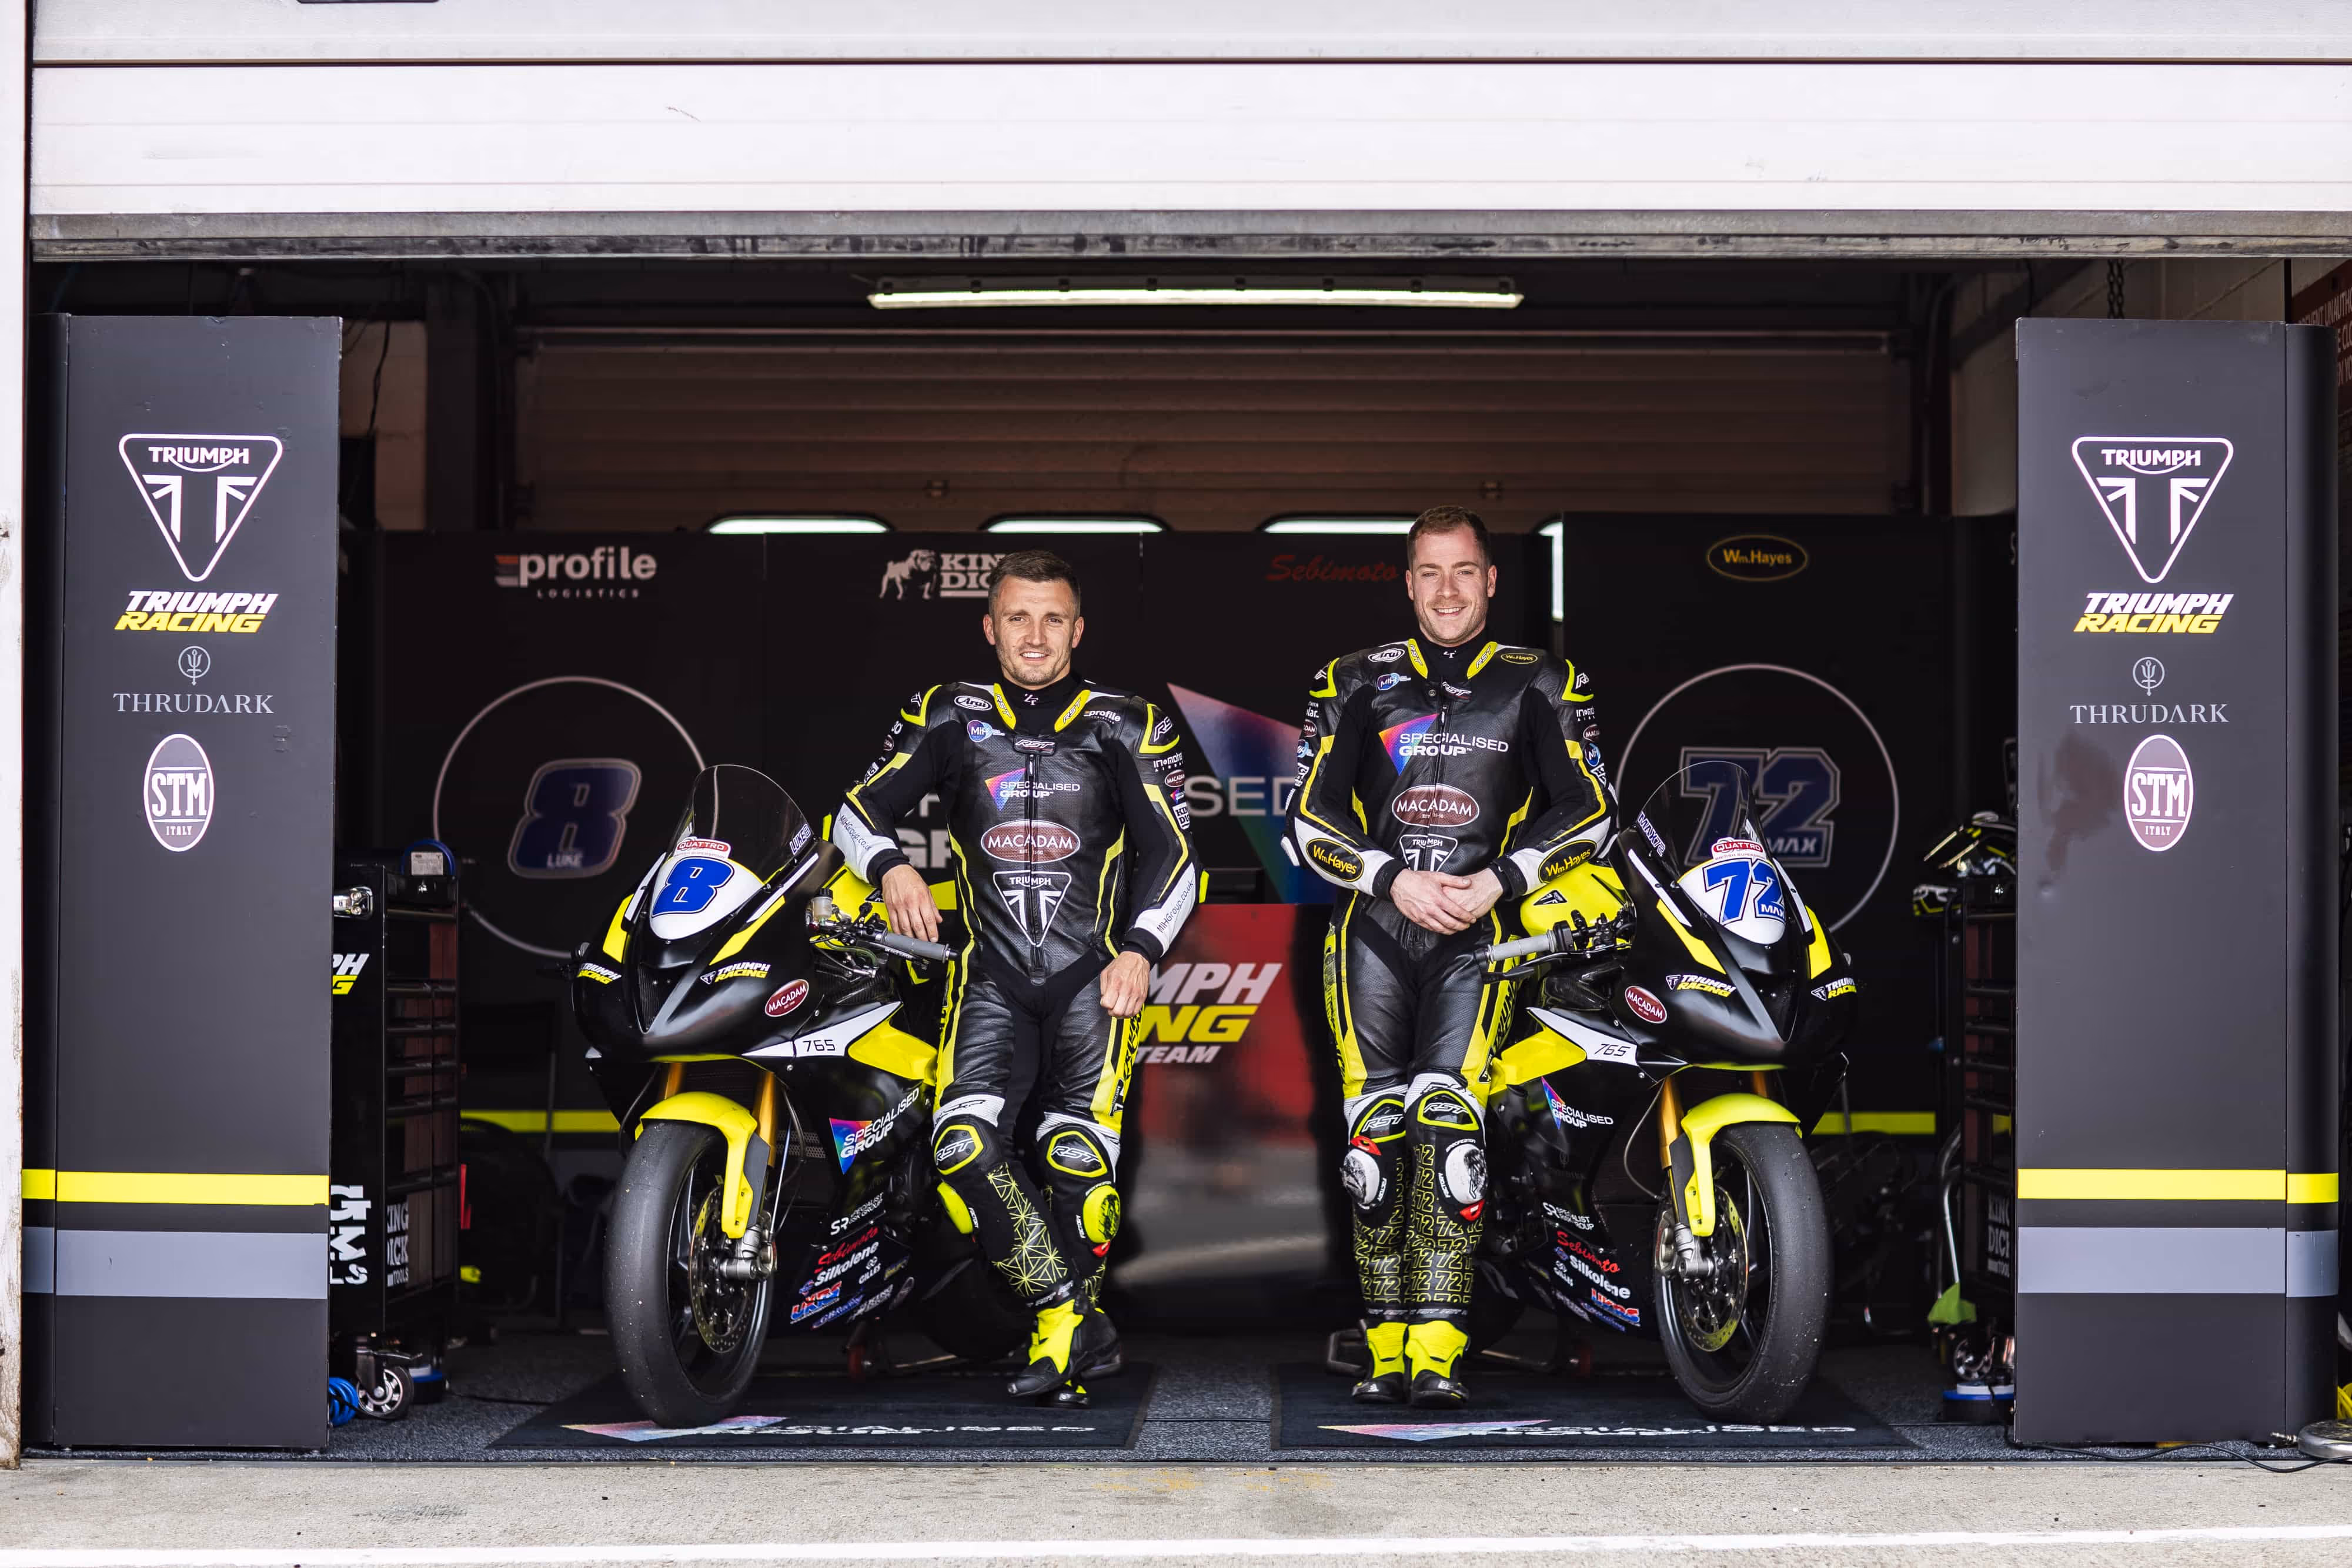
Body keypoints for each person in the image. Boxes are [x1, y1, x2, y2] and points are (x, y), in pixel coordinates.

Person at [832, 549, 1197, 1403]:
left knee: (1077, 1159)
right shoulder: (947, 714)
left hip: (1092, 978)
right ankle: (1068, 1310)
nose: (1036, 635)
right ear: (990, 626)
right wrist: (890, 865)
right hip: (988, 977)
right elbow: (857, 808)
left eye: (1054, 617)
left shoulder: (1126, 721)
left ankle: (1062, 1338)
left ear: (1079, 629)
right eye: (1019, 617)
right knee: (961, 1147)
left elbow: (1175, 853)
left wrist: (1141, 948)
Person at [1285, 506, 1611, 1407]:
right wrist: (1390, 878)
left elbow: (1590, 807)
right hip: (1375, 935)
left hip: (1480, 934)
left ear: (1492, 580)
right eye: (1429, 572)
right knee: (1376, 1140)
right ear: (1407, 581)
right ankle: (1385, 1347)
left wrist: (1502, 879)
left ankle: (1437, 1346)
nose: (1446, 590)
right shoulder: (1354, 680)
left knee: (1448, 1126)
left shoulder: (1541, 680)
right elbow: (1308, 819)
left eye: (1463, 571)